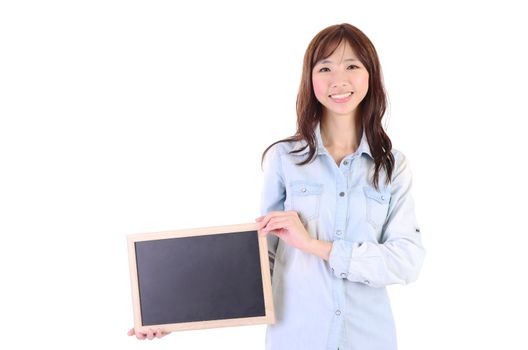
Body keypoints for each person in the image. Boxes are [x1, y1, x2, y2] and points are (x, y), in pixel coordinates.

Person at [254, 23, 425, 350]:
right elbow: (261, 261)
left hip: (368, 339)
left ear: (370, 75)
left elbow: (407, 259)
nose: (339, 80)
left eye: (352, 66)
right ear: (310, 78)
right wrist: (177, 315)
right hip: (297, 338)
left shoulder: (392, 168)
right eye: (325, 68)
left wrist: (315, 246)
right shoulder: (284, 159)